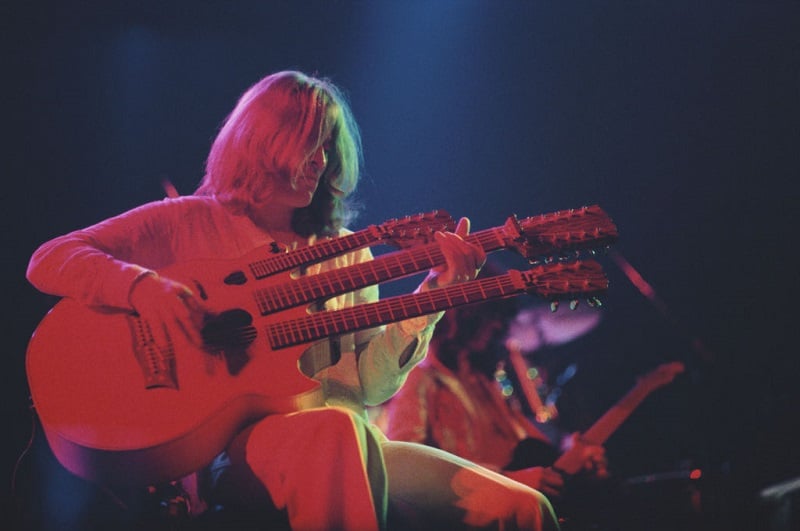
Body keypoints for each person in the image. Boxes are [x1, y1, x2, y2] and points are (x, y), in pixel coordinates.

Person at [27, 71, 559, 530]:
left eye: (330, 145)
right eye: (310, 141)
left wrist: (434, 297)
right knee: (336, 431)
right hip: (223, 455)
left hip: (345, 441)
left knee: (522, 509)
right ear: (262, 141)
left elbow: (369, 385)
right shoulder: (186, 222)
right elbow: (51, 257)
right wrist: (142, 288)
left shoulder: (345, 254)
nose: (322, 160)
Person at [380, 281, 609, 506]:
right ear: (466, 314)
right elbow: (404, 467)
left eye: (502, 317)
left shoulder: (486, 384)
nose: (500, 327)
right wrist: (506, 482)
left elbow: (530, 449)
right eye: (493, 315)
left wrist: (573, 457)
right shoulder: (420, 378)